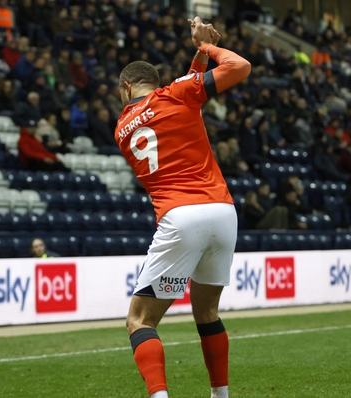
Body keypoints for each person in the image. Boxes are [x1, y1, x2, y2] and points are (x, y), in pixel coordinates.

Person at [116, 18, 250, 398]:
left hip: (180, 216)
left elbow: (176, 100)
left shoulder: (122, 126)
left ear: (127, 87)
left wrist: (198, 57)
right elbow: (239, 67)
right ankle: (220, 396)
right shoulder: (176, 94)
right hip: (223, 213)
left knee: (139, 319)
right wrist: (207, 48)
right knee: (207, 313)